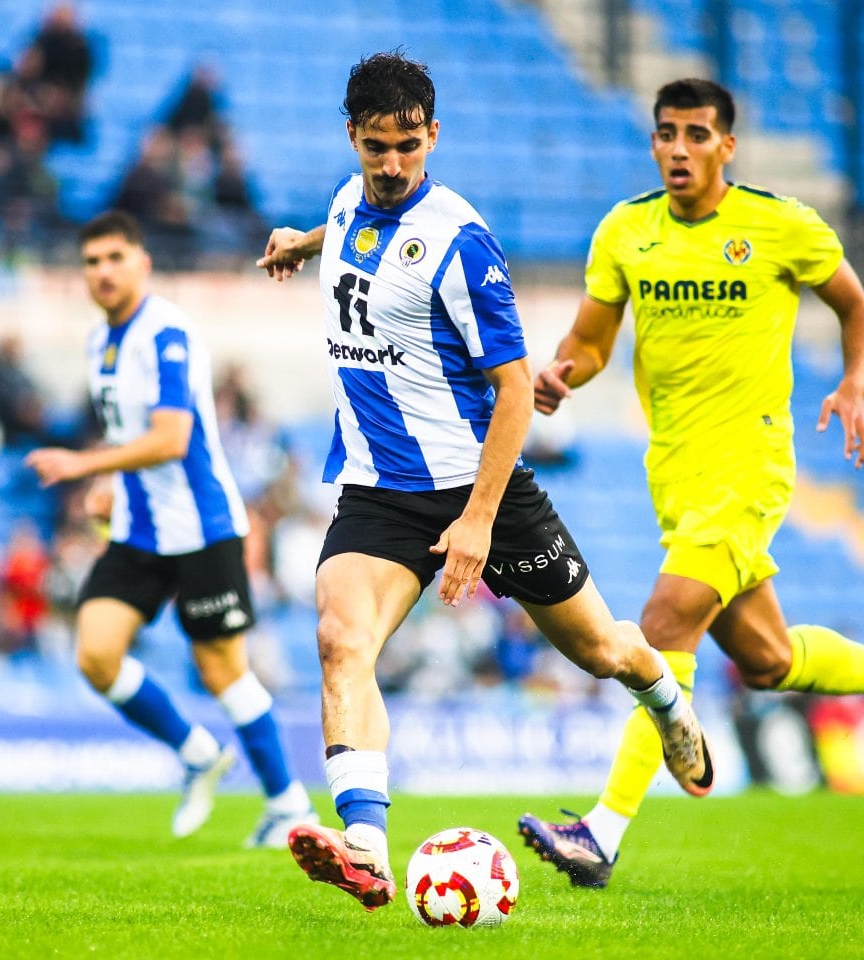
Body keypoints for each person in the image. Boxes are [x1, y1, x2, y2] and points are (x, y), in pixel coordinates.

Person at [255, 51, 714, 912]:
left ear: (433, 135)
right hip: (377, 489)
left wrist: (477, 520)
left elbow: (513, 388)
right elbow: (353, 230)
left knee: (598, 652)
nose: (392, 166)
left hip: (482, 489)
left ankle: (665, 697)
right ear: (352, 137)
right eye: (376, 147)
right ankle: (364, 845)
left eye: (408, 147)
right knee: (340, 640)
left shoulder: (463, 242)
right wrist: (302, 242)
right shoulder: (350, 198)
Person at [518, 78, 864, 889]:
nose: (680, 149)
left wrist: (855, 384)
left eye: (698, 135)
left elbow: (857, 307)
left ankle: (601, 832)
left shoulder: (778, 225)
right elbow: (590, 341)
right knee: (766, 661)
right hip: (676, 476)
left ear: (727, 145)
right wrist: (563, 373)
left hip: (751, 469)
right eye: (667, 134)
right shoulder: (627, 231)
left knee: (661, 626)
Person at [26, 210, 315, 845]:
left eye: (115, 258)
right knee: (96, 655)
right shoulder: (99, 342)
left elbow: (171, 437)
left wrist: (84, 464)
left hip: (203, 528)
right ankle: (194, 751)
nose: (103, 271)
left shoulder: (166, 334)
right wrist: (110, 482)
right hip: (138, 528)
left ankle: (290, 806)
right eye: (92, 261)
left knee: (223, 673)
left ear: (143, 262)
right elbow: (132, 437)